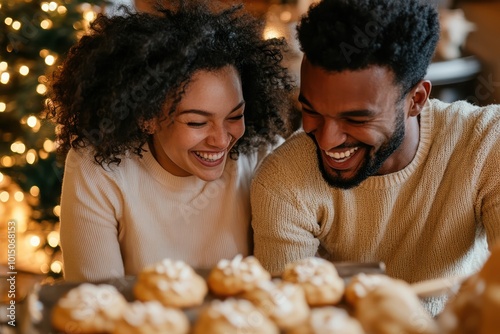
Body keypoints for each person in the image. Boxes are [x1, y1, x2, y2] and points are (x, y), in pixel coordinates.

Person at [250, 0, 500, 316]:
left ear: (417, 99)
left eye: (356, 119)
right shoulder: (283, 180)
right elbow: (286, 317)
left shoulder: (486, 142)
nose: (327, 140)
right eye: (311, 111)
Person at [45, 0, 294, 282]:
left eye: (235, 116)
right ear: (147, 117)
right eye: (197, 122)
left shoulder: (263, 152)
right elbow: (97, 302)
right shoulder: (96, 168)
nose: (222, 139)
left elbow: (282, 286)